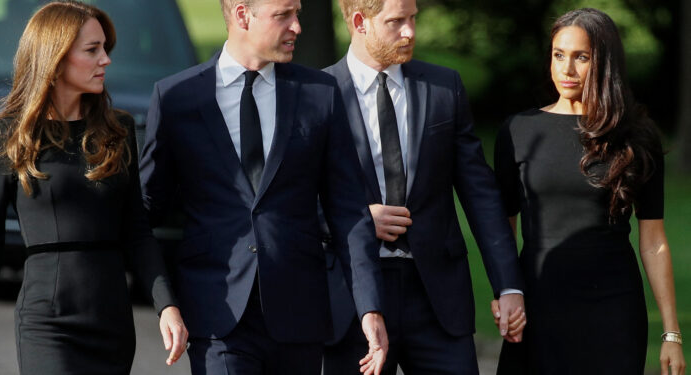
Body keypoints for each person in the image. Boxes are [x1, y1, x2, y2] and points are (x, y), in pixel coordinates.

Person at [138, 0, 388, 374]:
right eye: (283, 15)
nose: (297, 26)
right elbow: (144, 212)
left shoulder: (320, 92)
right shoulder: (177, 98)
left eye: (298, 14)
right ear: (242, 15)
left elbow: (348, 209)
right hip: (216, 315)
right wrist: (165, 303)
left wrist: (369, 306)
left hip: (298, 314)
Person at [0, 2, 188, 375]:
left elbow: (138, 233)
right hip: (46, 322)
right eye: (92, 50)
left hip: (111, 321)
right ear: (57, 57)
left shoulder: (118, 130)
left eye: (105, 49)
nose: (106, 61)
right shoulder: (9, 135)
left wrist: (168, 307)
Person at [322, 0, 526, 373]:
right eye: (396, 21)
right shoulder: (318, 94)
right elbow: (294, 199)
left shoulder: (443, 88)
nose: (410, 31)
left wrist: (508, 285)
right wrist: (359, 219)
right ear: (359, 22)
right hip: (352, 295)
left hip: (437, 297)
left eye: (413, 18)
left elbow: (479, 193)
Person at [493, 8, 686, 375]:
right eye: (558, 55)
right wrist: (505, 291)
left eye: (581, 57)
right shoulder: (518, 130)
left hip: (613, 311)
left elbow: (654, 240)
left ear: (605, 62)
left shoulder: (636, 136)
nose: (566, 69)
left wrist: (671, 333)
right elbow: (504, 225)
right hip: (537, 307)